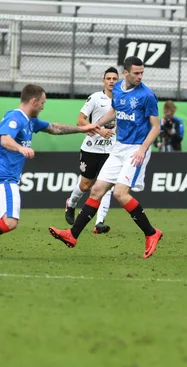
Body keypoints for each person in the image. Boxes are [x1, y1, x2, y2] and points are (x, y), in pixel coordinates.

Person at [49, 56, 163, 258]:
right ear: (126, 73)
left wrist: (142, 150)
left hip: (136, 149)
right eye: (136, 73)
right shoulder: (118, 89)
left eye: (142, 73)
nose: (140, 76)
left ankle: (152, 233)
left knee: (120, 193)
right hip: (119, 147)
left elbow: (156, 128)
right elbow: (114, 110)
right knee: (97, 190)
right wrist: (97, 124)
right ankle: (72, 234)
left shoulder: (147, 96)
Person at [0, 84, 99, 236]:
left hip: (7, 177)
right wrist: (21, 148)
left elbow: (54, 128)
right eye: (42, 103)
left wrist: (82, 129)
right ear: (33, 101)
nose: (43, 107)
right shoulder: (15, 117)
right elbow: (5, 139)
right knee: (10, 221)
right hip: (5, 178)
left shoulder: (30, 121)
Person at [65, 67, 119, 234]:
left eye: (114, 78)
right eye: (108, 78)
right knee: (86, 185)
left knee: (107, 185)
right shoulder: (96, 98)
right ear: (103, 81)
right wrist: (98, 130)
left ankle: (99, 222)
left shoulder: (123, 100)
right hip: (91, 148)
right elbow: (80, 120)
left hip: (111, 149)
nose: (111, 81)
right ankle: (71, 203)